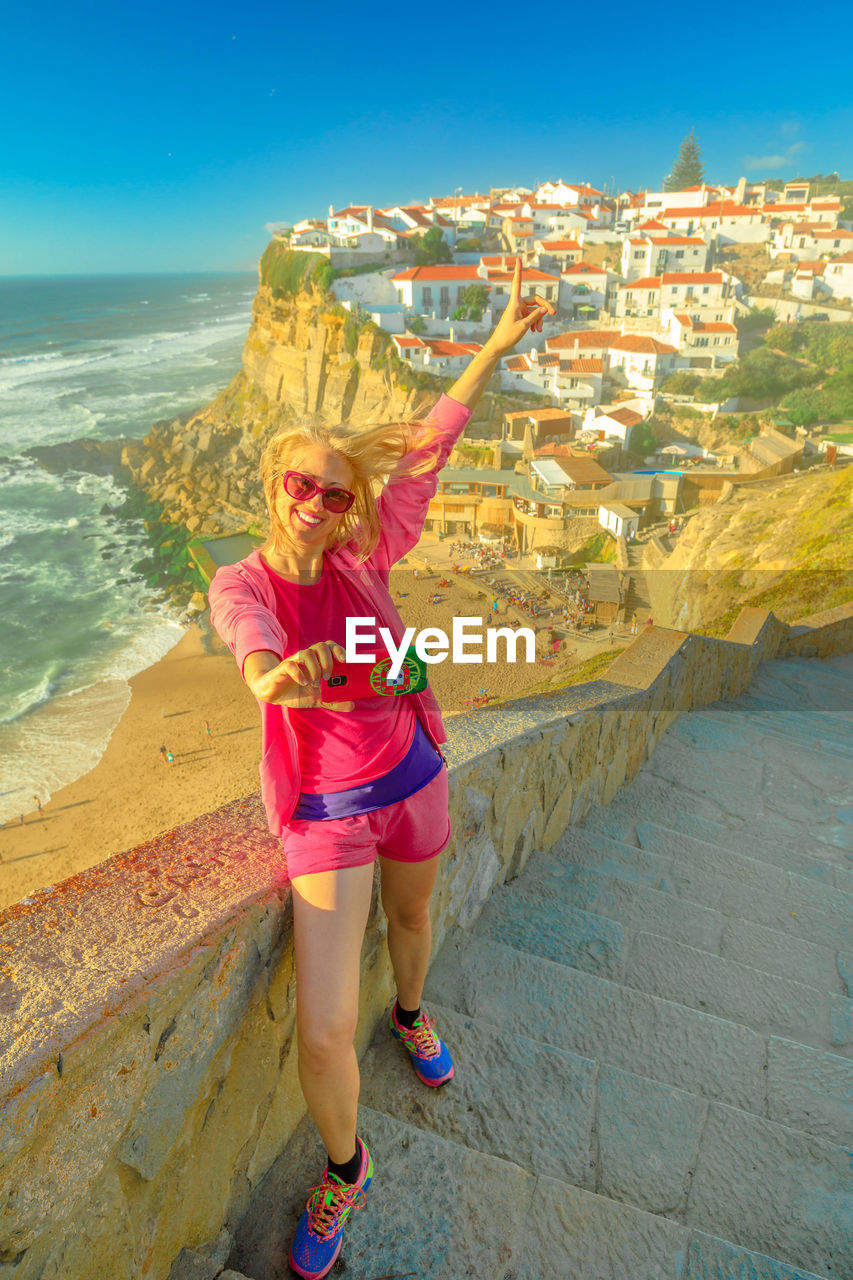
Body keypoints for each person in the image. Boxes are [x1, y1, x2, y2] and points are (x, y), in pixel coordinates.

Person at [208, 260, 554, 1280]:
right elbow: (250, 645)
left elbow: (429, 451)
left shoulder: (368, 556)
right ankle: (344, 1169)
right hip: (324, 813)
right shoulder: (245, 581)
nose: (315, 501)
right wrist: (278, 676)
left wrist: (491, 345)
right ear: (272, 486)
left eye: (334, 490)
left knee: (411, 923)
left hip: (412, 775)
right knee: (321, 1033)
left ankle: (410, 1010)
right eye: (298, 483)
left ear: (352, 505)